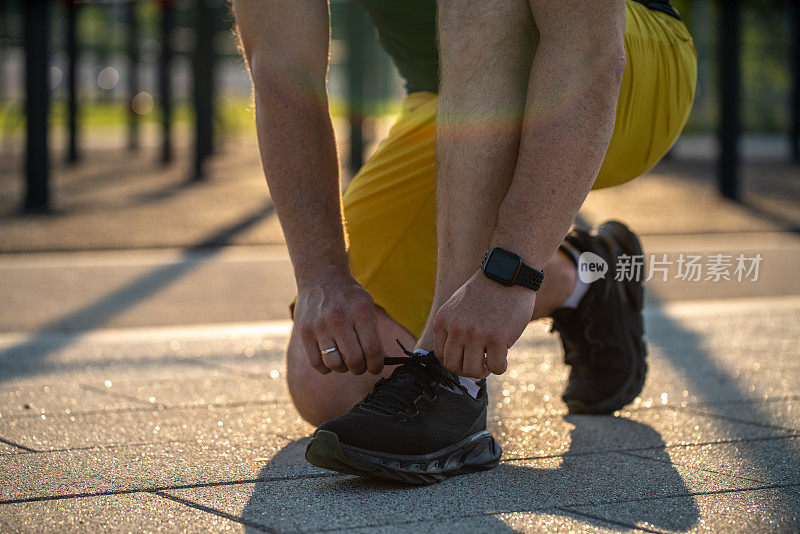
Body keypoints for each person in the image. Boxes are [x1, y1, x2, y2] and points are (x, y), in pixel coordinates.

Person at [232, 0, 696, 483]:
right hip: (451, 107)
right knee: (330, 381)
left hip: (624, 64)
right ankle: (582, 276)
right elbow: (279, 68)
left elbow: (589, 49)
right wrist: (320, 274)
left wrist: (510, 274)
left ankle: (451, 375)